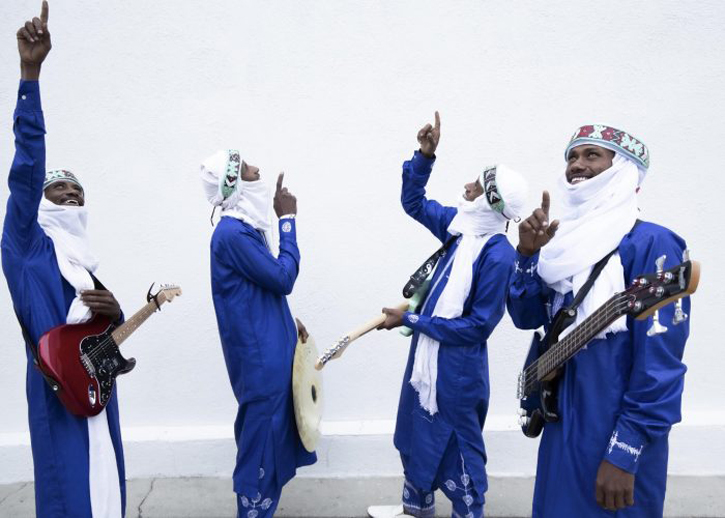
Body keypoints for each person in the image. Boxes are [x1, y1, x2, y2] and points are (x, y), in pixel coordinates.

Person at [507, 124, 691, 516]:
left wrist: (625, 452)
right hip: (560, 419)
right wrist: (526, 256)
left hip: (612, 425)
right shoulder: (559, 244)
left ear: (622, 168)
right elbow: (526, 319)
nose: (577, 165)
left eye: (592, 155)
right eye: (572, 157)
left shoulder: (652, 244)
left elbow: (660, 366)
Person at [2, 2, 127, 516]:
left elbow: (103, 336)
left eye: (78, 193)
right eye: (60, 190)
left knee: (107, 492)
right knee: (69, 495)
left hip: (99, 388)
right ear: (41, 201)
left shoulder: (84, 264)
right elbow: (28, 168)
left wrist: (115, 312)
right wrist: (31, 77)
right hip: (56, 389)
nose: (71, 197)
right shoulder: (26, 244)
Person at [371, 112, 528, 518]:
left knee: (456, 444)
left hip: (457, 372)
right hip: (427, 359)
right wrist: (425, 156)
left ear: (489, 199)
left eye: (476, 184)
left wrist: (411, 321)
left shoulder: (498, 254)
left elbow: (478, 326)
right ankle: (418, 509)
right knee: (414, 429)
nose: (467, 186)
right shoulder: (461, 230)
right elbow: (414, 203)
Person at [200, 150, 316, 517]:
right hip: (260, 361)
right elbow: (283, 278)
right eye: (248, 168)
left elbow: (258, 292)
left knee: (270, 437)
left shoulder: (245, 229)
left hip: (269, 349)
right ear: (234, 183)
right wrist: (289, 220)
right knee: (261, 443)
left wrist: (286, 321)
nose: (257, 169)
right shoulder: (233, 234)